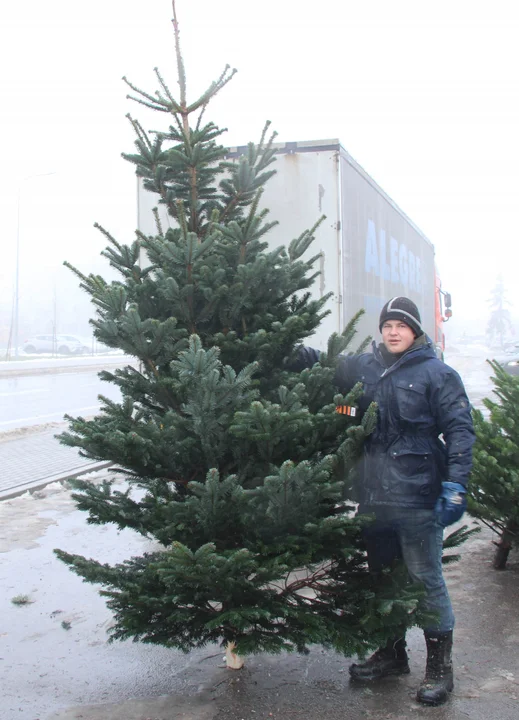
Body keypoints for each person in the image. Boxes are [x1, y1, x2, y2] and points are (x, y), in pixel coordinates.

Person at [296, 296, 475, 706]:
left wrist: (456, 484)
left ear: (415, 331)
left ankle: (440, 669)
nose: (393, 331)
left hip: (417, 497)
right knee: (382, 579)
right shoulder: (365, 366)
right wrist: (279, 347)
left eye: (402, 325)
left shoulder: (437, 374)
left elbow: (461, 431)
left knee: (425, 580)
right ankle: (392, 655)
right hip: (373, 496)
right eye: (387, 325)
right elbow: (322, 363)